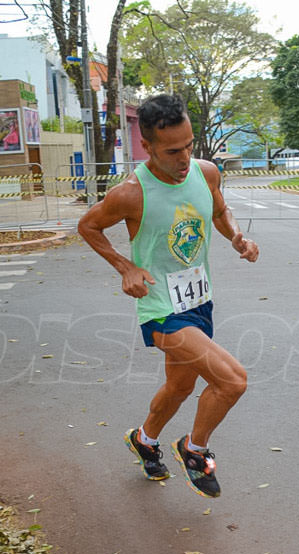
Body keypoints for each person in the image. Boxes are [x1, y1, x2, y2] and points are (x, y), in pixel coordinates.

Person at [78, 94, 259, 498]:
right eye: (172, 151)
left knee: (179, 388)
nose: (184, 159)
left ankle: (144, 439)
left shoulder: (206, 172)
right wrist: (126, 267)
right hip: (161, 307)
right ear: (148, 147)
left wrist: (237, 236)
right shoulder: (130, 193)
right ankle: (193, 450)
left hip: (199, 300)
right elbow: (88, 226)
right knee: (232, 381)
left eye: (190, 146)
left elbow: (218, 210)